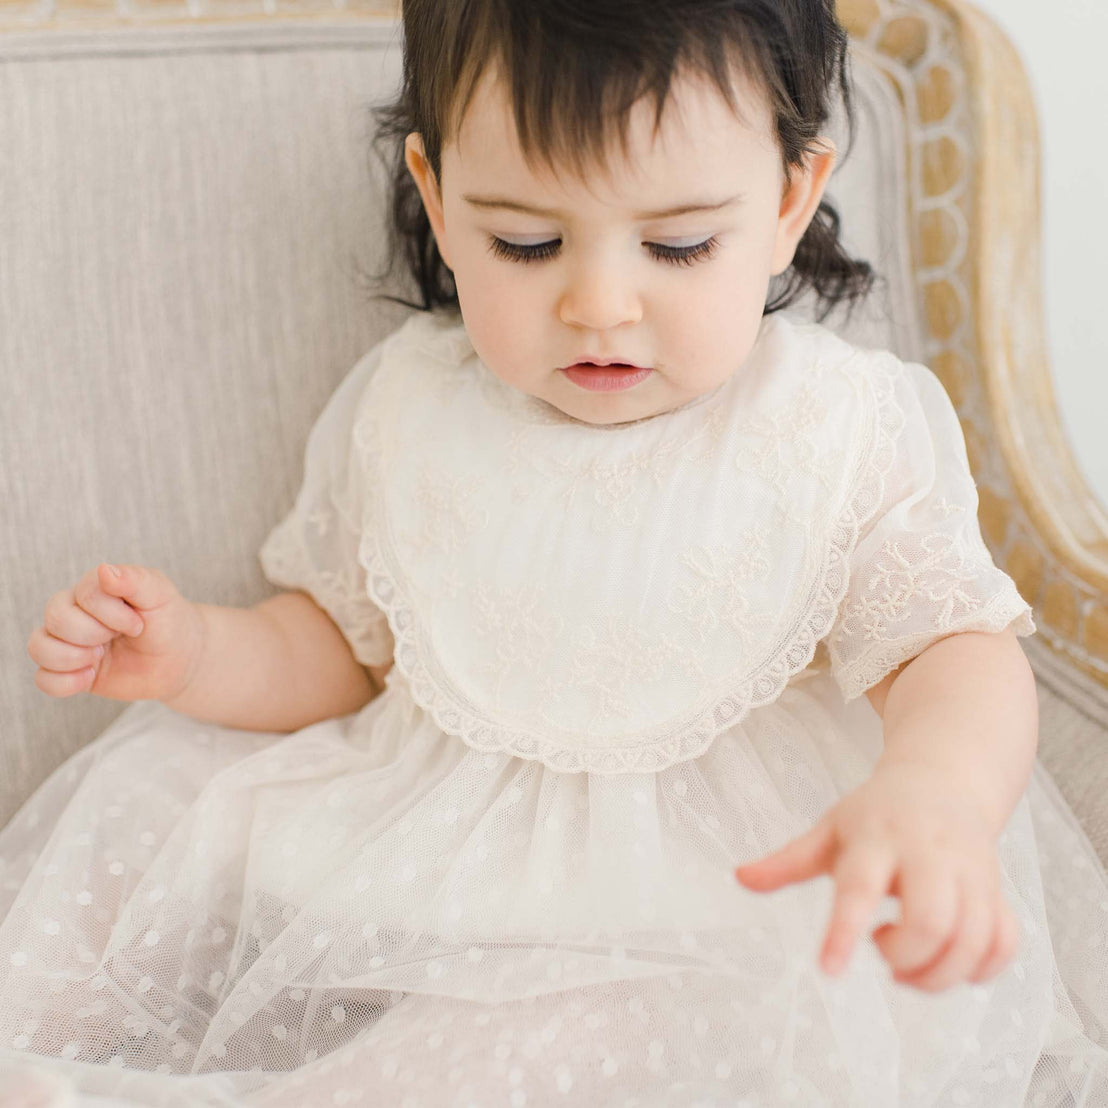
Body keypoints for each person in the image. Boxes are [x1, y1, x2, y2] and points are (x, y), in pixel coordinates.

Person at [3, 0, 1107, 1104]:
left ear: (786, 201)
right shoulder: (411, 403)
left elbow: (951, 646)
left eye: (678, 243)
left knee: (580, 1027)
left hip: (700, 910)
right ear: (436, 200)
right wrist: (198, 655)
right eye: (524, 242)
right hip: (413, 849)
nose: (598, 303)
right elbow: (345, 641)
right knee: (160, 803)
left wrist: (936, 792)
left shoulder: (837, 422)